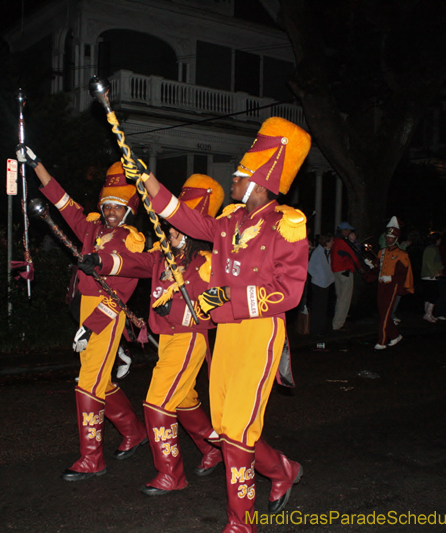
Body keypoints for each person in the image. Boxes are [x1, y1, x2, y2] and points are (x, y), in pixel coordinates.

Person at [126, 116, 311, 532]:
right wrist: (149, 181)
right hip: (226, 333)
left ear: (259, 183)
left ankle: (240, 523)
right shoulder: (229, 222)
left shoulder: (287, 224)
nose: (233, 182)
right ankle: (282, 468)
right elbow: (189, 221)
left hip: (261, 332)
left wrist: (227, 297)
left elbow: (290, 292)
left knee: (240, 430)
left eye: (240, 176)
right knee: (229, 428)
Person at [79, 174, 225, 496]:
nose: (170, 231)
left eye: (177, 227)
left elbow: (213, 307)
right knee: (183, 401)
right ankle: (215, 448)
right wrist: (100, 260)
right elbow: (131, 262)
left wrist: (177, 310)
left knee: (156, 404)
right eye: (170, 226)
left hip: (188, 341)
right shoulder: (163, 256)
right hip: (168, 341)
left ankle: (172, 474)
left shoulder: (206, 263)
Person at [24, 151, 148, 481]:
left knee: (87, 385)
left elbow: (118, 294)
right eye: (106, 204)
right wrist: (38, 165)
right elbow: (65, 204)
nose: (109, 211)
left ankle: (92, 458)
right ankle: (135, 431)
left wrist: (91, 327)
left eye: (116, 206)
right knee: (101, 380)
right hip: (88, 310)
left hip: (107, 314)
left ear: (128, 210)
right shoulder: (91, 228)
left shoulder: (131, 242)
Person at [367, 217, 414, 350]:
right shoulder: (381, 252)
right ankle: (395, 336)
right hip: (381, 285)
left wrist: (391, 278)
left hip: (392, 286)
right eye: (387, 237)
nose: (388, 239)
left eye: (391, 237)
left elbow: (403, 274)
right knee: (383, 313)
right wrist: (371, 266)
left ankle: (382, 341)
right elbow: (377, 268)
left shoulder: (401, 254)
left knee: (386, 314)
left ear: (396, 239)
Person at [330, 221, 362, 331]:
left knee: (340, 298)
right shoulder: (343, 242)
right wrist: (360, 267)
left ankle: (337, 322)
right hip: (345, 272)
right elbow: (354, 254)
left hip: (336, 272)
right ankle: (338, 324)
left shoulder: (335, 240)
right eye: (348, 230)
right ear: (344, 231)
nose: (350, 232)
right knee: (345, 299)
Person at [307, 233, 334, 336]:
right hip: (318, 284)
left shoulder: (325, 252)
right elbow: (310, 267)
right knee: (318, 307)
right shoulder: (318, 252)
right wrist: (318, 277)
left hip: (325, 283)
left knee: (323, 307)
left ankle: (321, 328)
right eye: (331, 241)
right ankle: (316, 329)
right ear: (326, 242)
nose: (332, 243)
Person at [420, 233, 444, 323]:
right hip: (430, 276)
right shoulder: (431, 249)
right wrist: (434, 272)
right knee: (433, 295)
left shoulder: (433, 248)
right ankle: (428, 314)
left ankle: (428, 313)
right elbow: (429, 262)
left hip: (430, 275)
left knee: (429, 295)